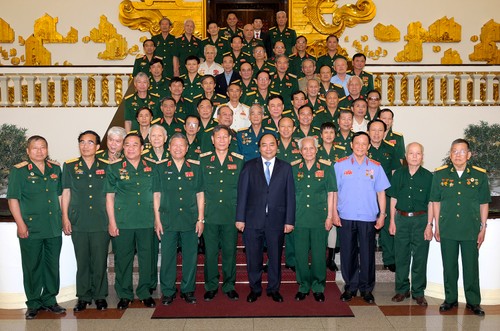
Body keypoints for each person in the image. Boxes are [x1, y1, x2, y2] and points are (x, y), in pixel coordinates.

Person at [7, 135, 66, 320]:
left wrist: (64, 218)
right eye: (35, 148)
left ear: (47, 149)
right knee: (32, 266)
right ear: (27, 151)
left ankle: (50, 299)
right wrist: (20, 224)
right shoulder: (20, 171)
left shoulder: (55, 168)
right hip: (31, 227)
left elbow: (60, 196)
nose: (39, 151)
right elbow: (13, 199)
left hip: (53, 227)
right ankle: (33, 303)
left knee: (52, 265)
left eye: (43, 147)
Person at [430, 139, 491, 316]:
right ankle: (450, 299)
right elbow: (436, 201)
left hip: (470, 229)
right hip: (447, 227)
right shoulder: (440, 175)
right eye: (454, 151)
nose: (458, 155)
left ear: (469, 155)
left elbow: (483, 204)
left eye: (462, 151)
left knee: (471, 267)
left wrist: (483, 227)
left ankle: (473, 302)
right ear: (450, 154)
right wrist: (437, 226)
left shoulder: (479, 175)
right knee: (449, 266)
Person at [236, 133, 296, 303]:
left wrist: (289, 220)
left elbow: (290, 195)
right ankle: (255, 288)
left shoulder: (285, 167)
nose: (268, 148)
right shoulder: (248, 166)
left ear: (277, 146)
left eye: (271, 145)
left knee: (275, 257)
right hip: (253, 220)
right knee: (253, 256)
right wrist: (240, 218)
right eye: (264, 145)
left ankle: (273, 289)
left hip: (276, 220)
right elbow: (242, 194)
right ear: (259, 147)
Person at [333, 132, 390, 304]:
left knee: (367, 254)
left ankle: (366, 289)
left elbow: (381, 192)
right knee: (347, 254)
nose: (360, 146)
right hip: (346, 216)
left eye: (364, 143)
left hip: (367, 217)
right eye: (357, 143)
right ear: (351, 144)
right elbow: (333, 192)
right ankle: (350, 287)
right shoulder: (340, 165)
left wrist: (382, 214)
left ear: (369, 146)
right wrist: (334, 213)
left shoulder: (376, 167)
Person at [105, 133, 157, 309]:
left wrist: (158, 220)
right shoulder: (114, 168)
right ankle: (125, 294)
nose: (131, 148)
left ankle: (144, 292)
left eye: (135, 145)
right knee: (123, 259)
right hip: (123, 221)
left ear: (142, 148)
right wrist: (112, 221)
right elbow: (109, 197)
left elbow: (158, 195)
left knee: (147, 258)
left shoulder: (152, 167)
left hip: (147, 220)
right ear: (123, 147)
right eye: (127, 145)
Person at [153, 133, 205, 305]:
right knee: (168, 257)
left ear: (187, 148)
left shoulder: (196, 167)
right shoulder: (160, 168)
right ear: (169, 147)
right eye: (174, 145)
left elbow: (200, 194)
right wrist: (157, 220)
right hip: (168, 219)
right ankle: (168, 291)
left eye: (182, 145)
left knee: (190, 256)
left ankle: (188, 290)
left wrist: (200, 219)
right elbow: (156, 195)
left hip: (190, 219)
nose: (178, 148)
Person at [62, 131, 109, 312]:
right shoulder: (70, 166)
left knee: (99, 260)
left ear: (97, 147)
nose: (85, 146)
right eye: (82, 142)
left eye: (90, 142)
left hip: (100, 220)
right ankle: (83, 296)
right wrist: (65, 217)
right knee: (82, 260)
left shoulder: (107, 166)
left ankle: (99, 296)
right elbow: (66, 193)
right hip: (78, 220)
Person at [200, 125, 244, 301]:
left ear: (230, 139)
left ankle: (229, 285)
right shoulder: (203, 161)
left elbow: (243, 191)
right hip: (210, 214)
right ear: (212, 140)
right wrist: (201, 217)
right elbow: (200, 189)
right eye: (218, 137)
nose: (222, 140)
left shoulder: (239, 161)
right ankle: (211, 285)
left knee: (229, 251)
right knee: (210, 252)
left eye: (225, 137)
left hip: (230, 214)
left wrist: (241, 216)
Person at [387, 142, 433, 306]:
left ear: (422, 156)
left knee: (420, 257)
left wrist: (429, 225)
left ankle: (419, 292)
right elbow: (393, 198)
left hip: (421, 220)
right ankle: (402, 290)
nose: (414, 156)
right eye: (411, 153)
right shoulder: (398, 174)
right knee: (401, 257)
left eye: (418, 153)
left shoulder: (429, 177)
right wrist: (392, 220)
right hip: (401, 219)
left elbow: (431, 203)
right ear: (406, 156)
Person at [292, 137, 336, 302]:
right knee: (301, 254)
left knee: (318, 254)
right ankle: (303, 286)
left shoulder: (326, 167)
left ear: (317, 150)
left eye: (312, 148)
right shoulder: (293, 168)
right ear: (300, 151)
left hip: (320, 217)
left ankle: (318, 286)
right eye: (305, 149)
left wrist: (330, 216)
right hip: (299, 217)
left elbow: (331, 193)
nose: (308, 151)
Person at [367, 119, 402, 271]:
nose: (376, 133)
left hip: (386, 194)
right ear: (368, 131)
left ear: (384, 132)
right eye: (373, 130)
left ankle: (389, 258)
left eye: (380, 130)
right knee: (366, 227)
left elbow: (395, 172)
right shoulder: (362, 148)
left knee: (388, 227)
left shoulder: (391, 149)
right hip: (366, 195)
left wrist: (395, 195)